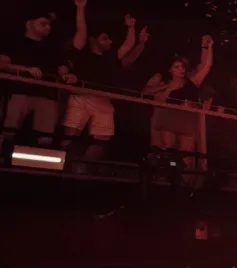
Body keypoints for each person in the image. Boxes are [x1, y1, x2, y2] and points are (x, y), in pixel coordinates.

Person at [62, 3, 147, 160]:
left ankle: (84, 168)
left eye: (109, 39)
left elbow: (128, 45)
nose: (109, 42)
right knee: (69, 137)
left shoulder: (110, 58)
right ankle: (64, 165)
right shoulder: (81, 53)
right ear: (93, 40)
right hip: (80, 96)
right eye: (105, 38)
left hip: (103, 99)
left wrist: (131, 27)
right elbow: (81, 30)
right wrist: (80, 7)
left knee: (101, 141)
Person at [1, 11, 69, 148]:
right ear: (29, 24)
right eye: (43, 24)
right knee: (8, 130)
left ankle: (40, 160)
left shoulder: (53, 47)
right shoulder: (15, 42)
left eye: (49, 25)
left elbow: (62, 68)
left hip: (47, 94)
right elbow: (3, 64)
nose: (48, 27)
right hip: (19, 91)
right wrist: (26, 69)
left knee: (46, 137)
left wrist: (67, 75)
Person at [143, 37, 214, 168]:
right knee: (168, 151)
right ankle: (166, 174)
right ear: (170, 70)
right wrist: (168, 88)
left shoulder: (192, 82)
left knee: (185, 154)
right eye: (177, 67)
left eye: (182, 67)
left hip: (187, 120)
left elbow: (207, 66)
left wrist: (208, 48)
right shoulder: (164, 83)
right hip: (169, 119)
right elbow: (151, 95)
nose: (181, 69)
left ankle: (180, 177)